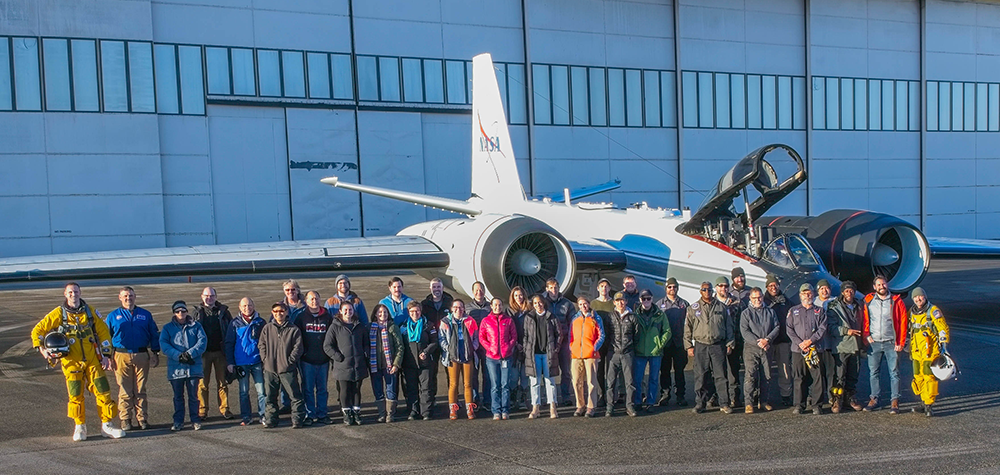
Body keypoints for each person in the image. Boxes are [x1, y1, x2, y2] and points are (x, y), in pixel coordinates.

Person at [31, 282, 124, 441]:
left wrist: (107, 355)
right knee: (75, 395)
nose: (73, 295)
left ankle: (107, 425)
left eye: (75, 291)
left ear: (80, 292)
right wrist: (42, 349)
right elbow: (37, 331)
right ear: (65, 294)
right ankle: (80, 426)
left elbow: (103, 333)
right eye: (70, 292)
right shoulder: (58, 313)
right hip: (71, 362)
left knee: (103, 391)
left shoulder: (91, 312)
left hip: (93, 360)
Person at [105, 286, 160, 431]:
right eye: (125, 296)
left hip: (141, 355)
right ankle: (125, 419)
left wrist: (155, 352)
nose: (128, 298)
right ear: (120, 297)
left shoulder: (145, 314)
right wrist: (107, 356)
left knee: (140, 389)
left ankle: (142, 419)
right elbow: (106, 337)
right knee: (124, 389)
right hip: (121, 355)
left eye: (130, 296)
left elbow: (154, 334)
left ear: (135, 297)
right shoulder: (113, 316)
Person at [685, 280, 734, 414]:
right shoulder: (693, 308)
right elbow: (687, 329)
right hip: (701, 345)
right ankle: (700, 403)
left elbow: (729, 326)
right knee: (701, 376)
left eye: (709, 290)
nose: (707, 292)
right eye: (704, 289)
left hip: (718, 345)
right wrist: (689, 346)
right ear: (700, 291)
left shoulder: (721, 307)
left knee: (721, 376)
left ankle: (724, 403)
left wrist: (730, 343)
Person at [862, 275, 908, 414]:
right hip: (874, 342)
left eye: (884, 284)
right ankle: (874, 398)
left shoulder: (896, 301)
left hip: (891, 343)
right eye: (879, 285)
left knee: (894, 373)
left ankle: (895, 400)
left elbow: (903, 322)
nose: (882, 287)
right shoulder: (868, 300)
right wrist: (866, 335)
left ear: (887, 285)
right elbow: (864, 318)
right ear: (874, 287)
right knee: (873, 372)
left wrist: (900, 342)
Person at [159, 300, 207, 431]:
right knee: (178, 397)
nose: (181, 313)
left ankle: (195, 420)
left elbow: (202, 342)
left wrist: (190, 354)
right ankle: (178, 421)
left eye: (183, 311)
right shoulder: (167, 328)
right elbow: (164, 345)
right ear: (174, 313)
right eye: (178, 311)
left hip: (193, 368)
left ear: (186, 312)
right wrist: (179, 355)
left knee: (193, 396)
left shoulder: (196, 326)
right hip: (176, 369)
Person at [258, 302, 305, 428]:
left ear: (286, 312)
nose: (279, 313)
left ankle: (297, 419)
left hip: (287, 369)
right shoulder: (267, 328)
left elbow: (298, 347)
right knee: (270, 396)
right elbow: (261, 345)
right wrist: (265, 359)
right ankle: (271, 419)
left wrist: (289, 361)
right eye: (276, 311)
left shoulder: (293, 329)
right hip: (270, 369)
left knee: (295, 396)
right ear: (272, 313)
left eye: (281, 311)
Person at [907, 287, 950, 417]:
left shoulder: (933, 311)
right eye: (915, 297)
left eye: (920, 296)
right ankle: (922, 401)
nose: (918, 299)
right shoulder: (912, 312)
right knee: (918, 377)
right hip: (916, 351)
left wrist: (944, 346)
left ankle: (929, 405)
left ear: (925, 297)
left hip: (930, 351)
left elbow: (942, 328)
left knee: (928, 377)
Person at [324, 303, 369, 425]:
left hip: (358, 364)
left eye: (350, 309)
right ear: (340, 311)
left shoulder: (359, 326)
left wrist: (365, 354)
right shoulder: (335, 327)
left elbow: (366, 343)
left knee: (356, 390)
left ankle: (356, 412)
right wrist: (338, 357)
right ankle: (347, 413)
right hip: (343, 365)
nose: (348, 312)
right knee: (344, 390)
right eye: (345, 310)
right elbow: (327, 345)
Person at [193, 287, 234, 420]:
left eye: (211, 296)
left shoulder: (224, 312)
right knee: (203, 384)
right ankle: (202, 410)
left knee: (222, 382)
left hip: (220, 352)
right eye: (206, 295)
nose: (209, 298)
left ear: (216, 297)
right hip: (203, 353)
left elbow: (230, 330)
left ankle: (225, 409)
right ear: (202, 296)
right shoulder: (196, 313)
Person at [225, 297, 267, 426]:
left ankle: (263, 415)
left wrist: (265, 360)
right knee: (244, 392)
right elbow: (229, 343)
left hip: (257, 361)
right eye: (244, 306)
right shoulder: (234, 323)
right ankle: (246, 417)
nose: (247, 308)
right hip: (241, 363)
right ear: (239, 307)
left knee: (262, 391)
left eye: (249, 305)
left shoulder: (261, 322)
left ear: (253, 306)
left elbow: (266, 342)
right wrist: (230, 362)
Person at [786, 284, 827, 415]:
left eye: (809, 293)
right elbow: (789, 329)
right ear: (800, 295)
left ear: (813, 294)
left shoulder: (820, 311)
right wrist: (800, 343)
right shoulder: (793, 311)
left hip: (815, 349)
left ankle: (817, 405)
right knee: (799, 377)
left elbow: (822, 328)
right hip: (798, 350)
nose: (807, 296)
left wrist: (810, 341)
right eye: (804, 293)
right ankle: (799, 405)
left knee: (817, 377)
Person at [826, 281, 864, 413]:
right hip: (842, 346)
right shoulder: (834, 307)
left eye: (852, 290)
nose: (849, 293)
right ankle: (837, 400)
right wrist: (846, 331)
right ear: (842, 292)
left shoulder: (860, 305)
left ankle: (850, 398)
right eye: (847, 290)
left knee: (853, 375)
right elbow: (830, 327)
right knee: (839, 376)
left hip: (856, 346)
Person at [295, 291, 333, 425]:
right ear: (306, 301)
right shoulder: (301, 317)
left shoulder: (327, 317)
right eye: (311, 299)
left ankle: (322, 414)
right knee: (308, 389)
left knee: (322, 389)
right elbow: (296, 338)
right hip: (307, 361)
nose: (314, 301)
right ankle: (309, 415)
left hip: (323, 360)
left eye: (316, 298)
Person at [740, 288, 779, 413]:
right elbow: (745, 331)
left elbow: (777, 327)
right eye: (754, 298)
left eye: (759, 297)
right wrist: (759, 342)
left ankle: (763, 402)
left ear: (762, 297)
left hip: (767, 347)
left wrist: (767, 340)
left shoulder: (770, 312)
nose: (757, 300)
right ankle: (749, 403)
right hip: (751, 348)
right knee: (750, 376)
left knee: (766, 375)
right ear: (750, 299)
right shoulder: (746, 313)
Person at [439, 299, 479, 420]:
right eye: (455, 307)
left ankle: (469, 409)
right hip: (452, 357)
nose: (458, 309)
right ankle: (453, 409)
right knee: (453, 384)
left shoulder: (470, 321)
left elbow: (476, 337)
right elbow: (441, 338)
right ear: (451, 309)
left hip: (467, 355)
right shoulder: (445, 322)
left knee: (468, 384)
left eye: (461, 307)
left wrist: (474, 347)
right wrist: (449, 348)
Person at [523, 295, 562, 419]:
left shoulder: (551, 317)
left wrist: (555, 349)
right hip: (534, 354)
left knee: (550, 381)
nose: (538, 305)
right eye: (535, 303)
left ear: (543, 303)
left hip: (548, 354)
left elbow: (559, 334)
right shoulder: (529, 317)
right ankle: (536, 408)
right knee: (534, 382)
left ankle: (552, 407)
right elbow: (525, 335)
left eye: (540, 302)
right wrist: (526, 350)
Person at [479, 298, 518, 420]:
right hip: (491, 357)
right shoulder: (486, 321)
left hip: (506, 357)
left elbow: (514, 336)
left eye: (500, 305)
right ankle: (496, 410)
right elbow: (482, 337)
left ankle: (505, 410)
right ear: (491, 306)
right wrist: (489, 348)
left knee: (505, 385)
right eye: (495, 305)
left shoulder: (508, 320)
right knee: (495, 385)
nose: (498, 307)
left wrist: (508, 347)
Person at [401, 300, 438, 420]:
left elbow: (434, 342)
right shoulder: (403, 326)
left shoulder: (428, 325)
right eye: (412, 311)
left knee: (426, 387)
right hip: (409, 362)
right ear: (408, 312)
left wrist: (426, 352)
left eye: (417, 310)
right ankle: (413, 410)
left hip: (425, 362)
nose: (415, 313)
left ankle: (426, 411)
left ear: (421, 311)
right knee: (411, 388)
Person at [633, 289, 670, 412]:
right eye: (643, 299)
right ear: (640, 300)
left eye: (648, 298)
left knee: (653, 379)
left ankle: (650, 402)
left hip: (655, 351)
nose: (646, 301)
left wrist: (660, 344)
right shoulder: (635, 315)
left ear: (652, 299)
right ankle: (637, 401)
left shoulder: (660, 314)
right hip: (640, 351)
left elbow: (667, 331)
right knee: (638, 379)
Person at [569, 296, 605, 417]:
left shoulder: (596, 317)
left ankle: (591, 406)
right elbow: (571, 335)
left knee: (591, 382)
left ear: (589, 304)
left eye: (585, 304)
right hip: (576, 354)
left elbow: (601, 335)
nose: (583, 306)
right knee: (576, 381)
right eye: (580, 304)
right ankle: (580, 405)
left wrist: (594, 348)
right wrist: (572, 347)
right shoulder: (575, 318)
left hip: (590, 354)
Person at [542, 278, 576, 407]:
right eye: (551, 287)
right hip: (548, 341)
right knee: (547, 371)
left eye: (555, 287)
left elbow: (572, 322)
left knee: (566, 371)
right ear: (547, 289)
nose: (554, 290)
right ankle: (549, 398)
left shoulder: (567, 304)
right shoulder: (543, 303)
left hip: (564, 341)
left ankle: (566, 396)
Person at [421, 278, 452, 415]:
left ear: (442, 287)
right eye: (434, 287)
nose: (436, 289)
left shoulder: (449, 301)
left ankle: (453, 399)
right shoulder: (425, 304)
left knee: (450, 372)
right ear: (430, 288)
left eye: (438, 287)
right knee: (431, 372)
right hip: (432, 342)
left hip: (446, 341)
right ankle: (432, 399)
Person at [368, 303, 404, 423]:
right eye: (380, 312)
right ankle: (381, 413)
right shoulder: (370, 328)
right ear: (375, 314)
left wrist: (396, 364)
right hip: (375, 364)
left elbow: (400, 347)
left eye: (385, 312)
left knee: (391, 390)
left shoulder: (393, 327)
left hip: (390, 364)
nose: (382, 314)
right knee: (377, 389)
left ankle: (390, 414)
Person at [656, 277, 689, 406]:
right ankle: (665, 395)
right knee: (664, 371)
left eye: (674, 287)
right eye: (669, 287)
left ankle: (680, 395)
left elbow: (689, 324)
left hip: (679, 343)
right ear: (666, 289)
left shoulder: (684, 304)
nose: (672, 289)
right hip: (665, 344)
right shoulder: (659, 304)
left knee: (680, 371)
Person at [763, 274, 793, 406]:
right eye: (770, 285)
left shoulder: (786, 301)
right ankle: (766, 396)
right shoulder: (763, 301)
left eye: (775, 285)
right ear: (767, 287)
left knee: (785, 369)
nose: (773, 287)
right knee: (766, 370)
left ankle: (786, 395)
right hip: (768, 342)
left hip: (783, 340)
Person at [713, 277, 743, 408]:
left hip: (734, 342)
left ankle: (734, 398)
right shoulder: (711, 302)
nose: (723, 288)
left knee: (733, 372)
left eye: (726, 286)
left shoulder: (737, 302)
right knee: (717, 372)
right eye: (720, 286)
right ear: (716, 287)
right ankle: (717, 397)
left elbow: (741, 322)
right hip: (716, 343)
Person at [466, 281, 491, 412]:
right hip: (473, 347)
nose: (479, 292)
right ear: (472, 292)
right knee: (473, 374)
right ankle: (475, 399)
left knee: (487, 374)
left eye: (481, 289)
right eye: (476, 290)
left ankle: (487, 400)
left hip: (487, 347)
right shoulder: (468, 308)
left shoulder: (490, 307)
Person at [590, 278, 614, 407]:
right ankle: (601, 395)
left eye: (606, 286)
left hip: (611, 341)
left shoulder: (613, 304)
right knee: (599, 370)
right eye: (601, 286)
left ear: (609, 288)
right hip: (598, 342)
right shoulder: (593, 304)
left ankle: (611, 395)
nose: (604, 288)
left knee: (610, 371)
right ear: (598, 288)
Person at [507, 286, 530, 411]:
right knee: (514, 376)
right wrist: (516, 344)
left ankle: (522, 401)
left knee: (525, 376)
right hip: (514, 348)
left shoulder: (530, 311)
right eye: (516, 295)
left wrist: (526, 345)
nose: (518, 298)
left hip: (527, 348)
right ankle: (512, 400)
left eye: (520, 295)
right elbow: (508, 331)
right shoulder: (509, 312)